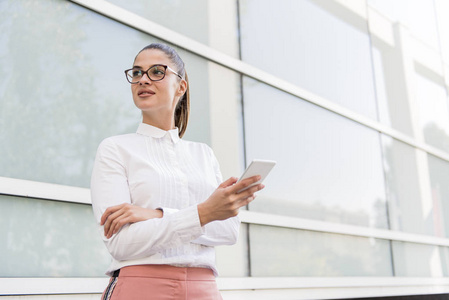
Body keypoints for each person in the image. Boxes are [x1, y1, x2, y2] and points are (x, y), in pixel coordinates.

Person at [90, 43, 264, 300]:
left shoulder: (203, 154)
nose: (144, 79)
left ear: (181, 86)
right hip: (141, 287)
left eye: (157, 71)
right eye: (137, 73)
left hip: (204, 289)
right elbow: (121, 243)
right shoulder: (115, 149)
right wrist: (204, 213)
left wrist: (153, 214)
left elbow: (228, 231)